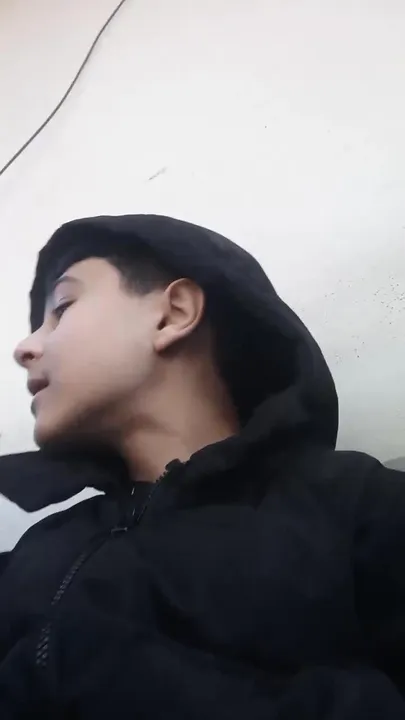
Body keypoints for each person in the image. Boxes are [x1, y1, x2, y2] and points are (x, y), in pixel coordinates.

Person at [0, 214, 404, 718]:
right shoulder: (36, 550)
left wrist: (110, 675)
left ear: (173, 314)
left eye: (62, 308)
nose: (25, 348)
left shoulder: (360, 505)